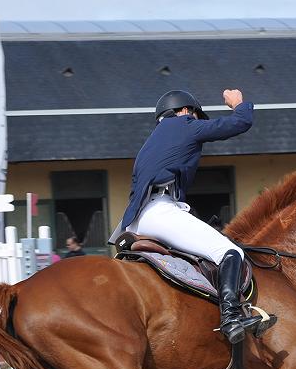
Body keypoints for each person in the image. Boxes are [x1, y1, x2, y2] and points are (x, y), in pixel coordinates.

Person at [109, 88, 270, 344]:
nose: (197, 121)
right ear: (184, 110)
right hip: (159, 212)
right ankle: (231, 317)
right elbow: (240, 123)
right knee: (229, 253)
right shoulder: (183, 124)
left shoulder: (152, 140)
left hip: (140, 217)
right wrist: (239, 104)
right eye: (195, 115)